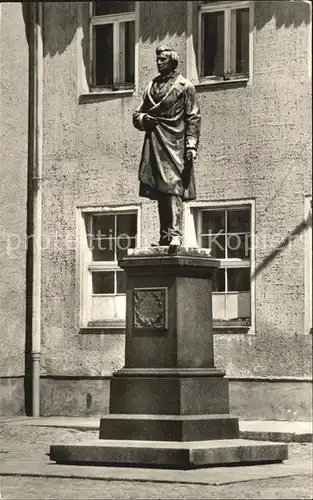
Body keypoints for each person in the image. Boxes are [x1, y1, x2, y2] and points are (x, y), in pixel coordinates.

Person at [133, 44, 201, 246]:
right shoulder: (151, 87)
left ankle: (176, 235)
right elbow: (137, 114)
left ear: (172, 61)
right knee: (161, 190)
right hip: (155, 142)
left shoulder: (184, 86)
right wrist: (145, 119)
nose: (159, 62)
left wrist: (191, 145)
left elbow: (193, 116)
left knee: (174, 187)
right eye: (158, 59)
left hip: (175, 143)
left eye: (163, 59)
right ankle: (164, 236)